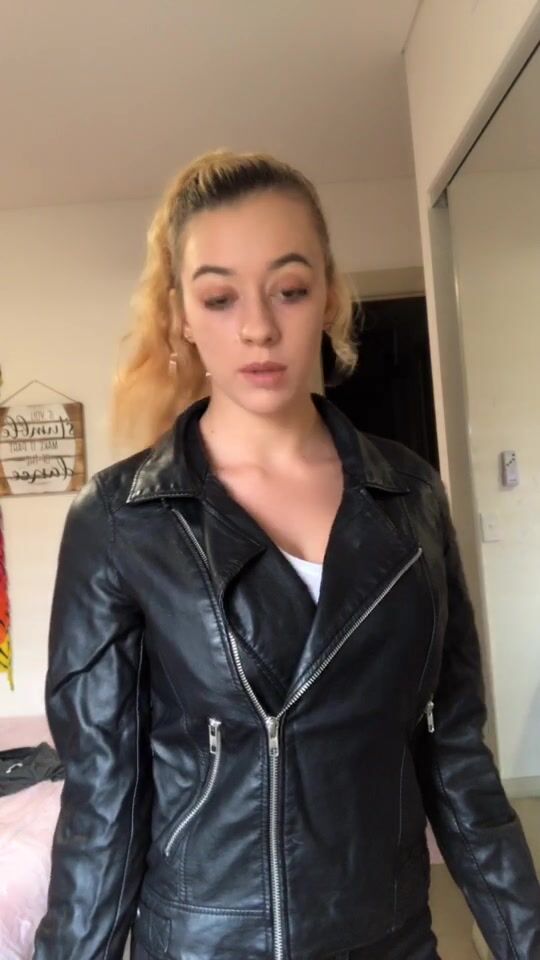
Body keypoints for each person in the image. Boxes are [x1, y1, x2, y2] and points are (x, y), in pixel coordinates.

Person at [33, 150, 540, 960]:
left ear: (329, 295)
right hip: (205, 945)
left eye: (289, 289)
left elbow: (455, 756)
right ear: (181, 315)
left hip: (393, 938)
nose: (258, 328)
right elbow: (103, 803)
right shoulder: (123, 519)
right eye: (220, 297)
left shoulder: (409, 494)